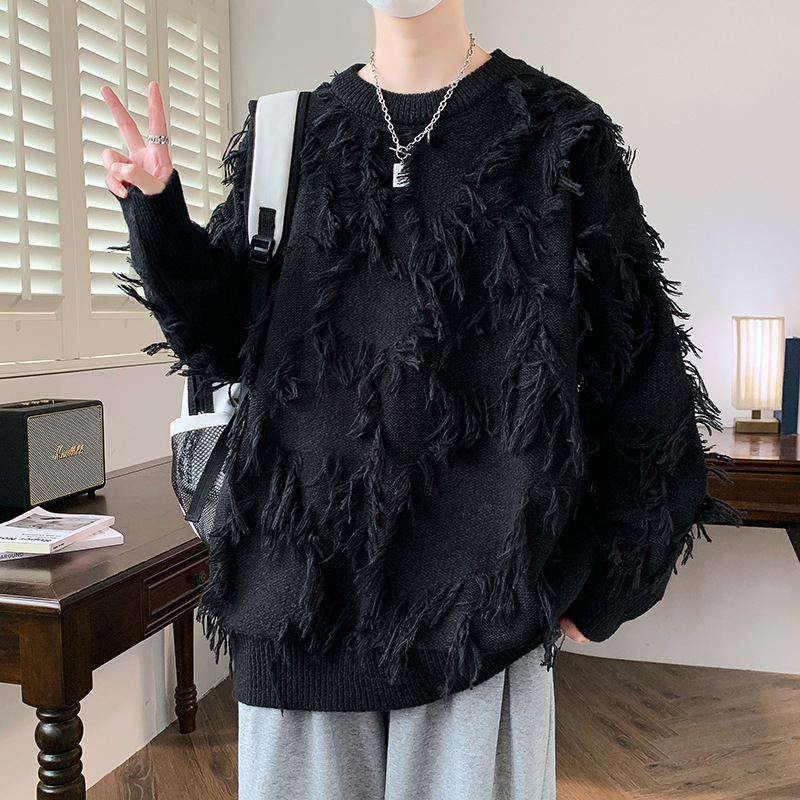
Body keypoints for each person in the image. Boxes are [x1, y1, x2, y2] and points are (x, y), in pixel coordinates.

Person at [100, 0, 743, 797]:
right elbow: (225, 345)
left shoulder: (558, 134)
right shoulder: (287, 135)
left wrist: (612, 579)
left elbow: (640, 371)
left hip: (480, 625)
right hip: (297, 609)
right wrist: (157, 215)